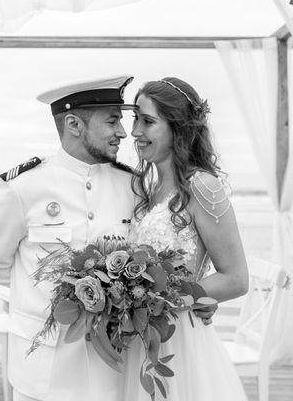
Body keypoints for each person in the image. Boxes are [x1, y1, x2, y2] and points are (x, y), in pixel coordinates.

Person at [0, 75, 139, 401]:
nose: (122, 131)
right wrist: (42, 295)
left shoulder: (132, 186)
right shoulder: (22, 187)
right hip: (43, 365)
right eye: (112, 120)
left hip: (111, 367)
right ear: (75, 124)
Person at [123, 77, 249, 400]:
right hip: (143, 341)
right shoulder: (148, 191)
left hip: (180, 343)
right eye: (135, 119)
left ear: (178, 128)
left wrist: (166, 297)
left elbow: (236, 278)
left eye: (148, 121)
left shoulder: (202, 186)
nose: (135, 131)